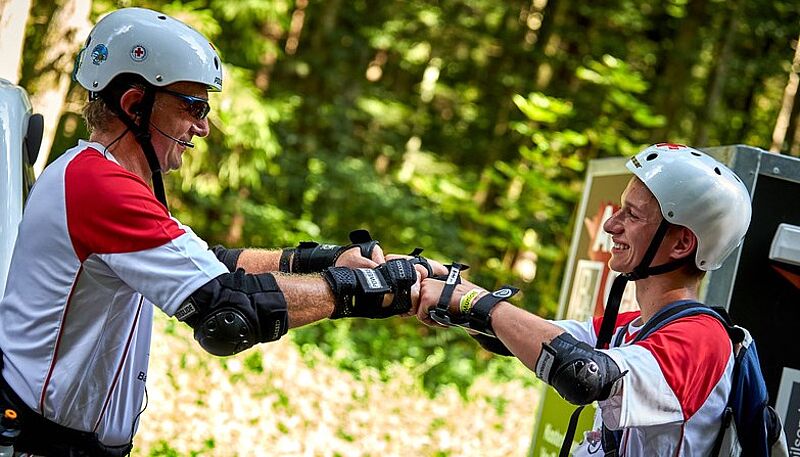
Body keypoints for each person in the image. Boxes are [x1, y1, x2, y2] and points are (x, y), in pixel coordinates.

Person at [0, 7, 443, 456]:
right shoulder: (99, 187)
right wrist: (375, 288)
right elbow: (228, 312)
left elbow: (214, 265)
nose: (204, 127)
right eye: (193, 106)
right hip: (41, 445)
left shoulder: (95, 177)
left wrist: (326, 260)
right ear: (135, 105)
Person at [417, 143, 753, 455]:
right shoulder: (635, 326)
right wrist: (444, 284)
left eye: (632, 215)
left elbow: (582, 373)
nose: (610, 225)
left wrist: (474, 302)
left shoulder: (701, 339)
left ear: (681, 244)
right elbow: (524, 337)